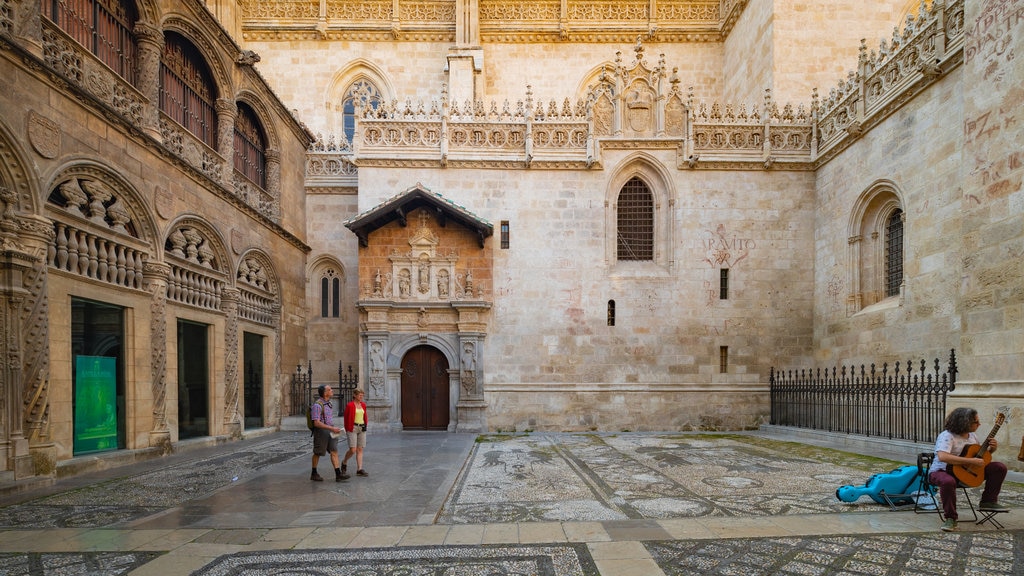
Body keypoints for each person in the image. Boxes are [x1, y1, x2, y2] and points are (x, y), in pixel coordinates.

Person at [928, 407, 1007, 532]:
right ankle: (950, 518)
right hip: (941, 472)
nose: (979, 424)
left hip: (965, 472)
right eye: (976, 422)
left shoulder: (973, 436)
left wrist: (992, 450)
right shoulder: (947, 436)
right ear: (964, 422)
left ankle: (988, 501)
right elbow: (942, 456)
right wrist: (970, 461)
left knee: (999, 467)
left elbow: (979, 457)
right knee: (948, 481)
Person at [310, 384, 350, 482]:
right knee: (318, 452)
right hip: (321, 432)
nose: (332, 390)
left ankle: (338, 474)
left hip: (331, 431)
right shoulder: (317, 405)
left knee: (334, 451)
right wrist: (331, 428)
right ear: (325, 393)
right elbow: (316, 423)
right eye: (329, 389)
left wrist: (332, 429)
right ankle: (314, 473)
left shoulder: (329, 403)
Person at [342, 388, 369, 477]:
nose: (361, 397)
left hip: (362, 428)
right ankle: (344, 462)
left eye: (362, 395)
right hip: (352, 428)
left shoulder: (363, 405)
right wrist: (347, 429)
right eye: (360, 395)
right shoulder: (350, 405)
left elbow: (365, 416)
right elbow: (346, 418)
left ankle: (359, 469)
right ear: (354, 395)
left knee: (360, 449)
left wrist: (365, 425)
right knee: (353, 450)